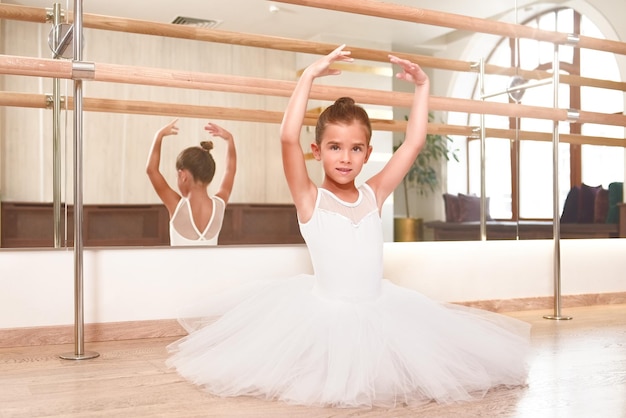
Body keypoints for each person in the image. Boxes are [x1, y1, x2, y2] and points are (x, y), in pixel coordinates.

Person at [166, 45, 531, 408]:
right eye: (335, 147)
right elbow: (287, 137)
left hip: (382, 308)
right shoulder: (310, 198)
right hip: (326, 318)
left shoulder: (375, 194)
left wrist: (422, 86)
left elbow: (415, 142)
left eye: (356, 149)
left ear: (368, 154)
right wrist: (308, 75)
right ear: (317, 151)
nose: (345, 158)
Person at [146, 119, 236, 246]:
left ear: (182, 175)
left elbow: (151, 170)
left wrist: (158, 136)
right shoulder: (219, 206)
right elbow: (230, 170)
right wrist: (230, 139)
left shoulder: (177, 207)